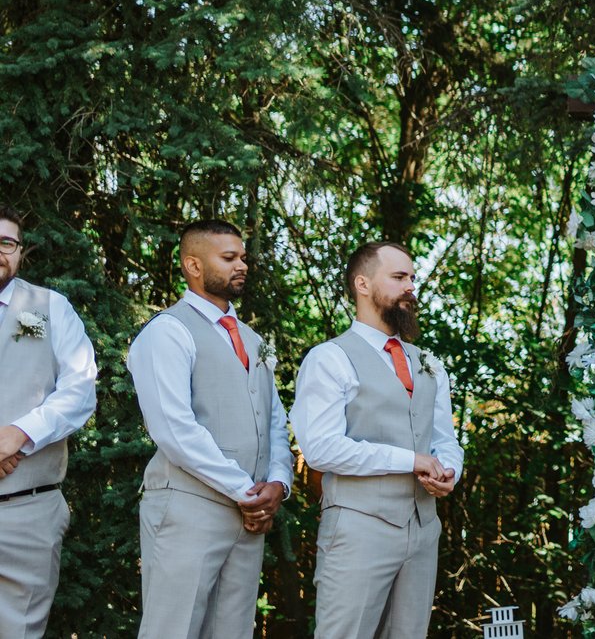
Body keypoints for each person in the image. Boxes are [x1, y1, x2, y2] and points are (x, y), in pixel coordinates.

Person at [128, 219, 293, 639]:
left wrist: (278, 482)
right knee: (174, 630)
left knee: (232, 631)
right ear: (193, 266)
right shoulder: (168, 331)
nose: (242, 265)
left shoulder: (252, 340)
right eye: (229, 257)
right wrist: (247, 492)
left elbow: (273, 419)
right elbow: (175, 431)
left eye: (243, 257)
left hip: (248, 514)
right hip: (189, 509)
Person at [294, 240, 463, 639]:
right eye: (399, 277)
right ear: (363, 284)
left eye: (412, 278)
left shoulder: (430, 363)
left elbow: (445, 439)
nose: (410, 287)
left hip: (423, 530)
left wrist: (449, 469)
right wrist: (412, 460)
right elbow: (320, 448)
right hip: (358, 527)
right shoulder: (329, 358)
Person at [0, 206, 97, 639]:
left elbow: (79, 389)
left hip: (27, 510)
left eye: (7, 243)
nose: (0, 251)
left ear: (20, 252)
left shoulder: (41, 309)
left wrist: (18, 436)